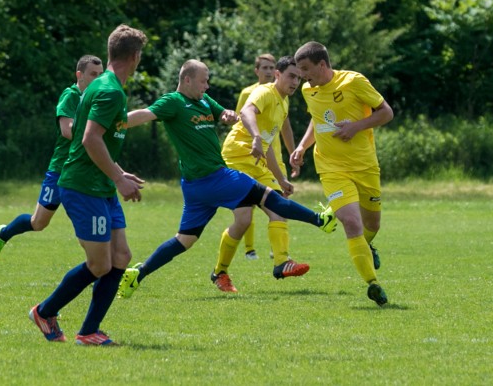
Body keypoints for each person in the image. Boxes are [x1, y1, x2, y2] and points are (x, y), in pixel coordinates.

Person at [117, 59, 337, 298]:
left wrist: (227, 115)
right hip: (214, 176)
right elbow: (144, 114)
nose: (208, 86)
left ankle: (138, 274)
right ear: (187, 79)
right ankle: (319, 220)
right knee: (270, 199)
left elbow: (223, 113)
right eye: (204, 80)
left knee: (185, 239)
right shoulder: (174, 102)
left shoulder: (202, 100)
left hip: (196, 185)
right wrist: (113, 122)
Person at [27, 24, 148, 345]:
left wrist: (118, 173)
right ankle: (45, 311)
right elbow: (89, 138)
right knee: (99, 264)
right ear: (135, 57)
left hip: (101, 186)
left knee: (121, 257)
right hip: (83, 187)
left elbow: (95, 141)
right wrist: (119, 177)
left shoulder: (107, 87)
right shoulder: (108, 91)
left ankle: (89, 331)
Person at [290, 41, 394, 307]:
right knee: (351, 222)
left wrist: (357, 127)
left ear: (322, 65)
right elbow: (317, 118)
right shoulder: (307, 90)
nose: (302, 75)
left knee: (372, 225)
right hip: (330, 167)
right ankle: (373, 284)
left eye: (305, 69)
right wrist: (302, 146)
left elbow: (386, 113)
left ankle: (367, 247)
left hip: (364, 166)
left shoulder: (354, 82)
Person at [0, 55, 104, 262]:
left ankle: (100, 267)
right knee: (38, 223)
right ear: (80, 75)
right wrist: (94, 134)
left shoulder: (98, 99)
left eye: (100, 75)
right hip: (60, 169)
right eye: (93, 74)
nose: (97, 79)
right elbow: (67, 130)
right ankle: (4, 233)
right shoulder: (71, 96)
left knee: (88, 225)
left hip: (83, 171)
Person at [221, 55, 306, 281]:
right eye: (291, 76)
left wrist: (281, 178)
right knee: (244, 219)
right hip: (239, 156)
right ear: (277, 75)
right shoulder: (263, 92)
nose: (295, 82)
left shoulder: (284, 100)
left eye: (298, 77)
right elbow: (247, 113)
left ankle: (281, 263)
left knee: (279, 209)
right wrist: (256, 136)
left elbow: (269, 142)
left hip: (260, 160)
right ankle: (220, 271)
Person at [235, 54, 296, 260]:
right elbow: (242, 116)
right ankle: (250, 249)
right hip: (250, 154)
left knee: (280, 202)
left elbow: (285, 126)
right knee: (248, 205)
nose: (268, 71)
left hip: (273, 155)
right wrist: (255, 139)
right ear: (257, 70)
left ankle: (278, 253)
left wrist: (294, 151)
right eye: (265, 68)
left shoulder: (283, 98)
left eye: (271, 67)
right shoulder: (251, 93)